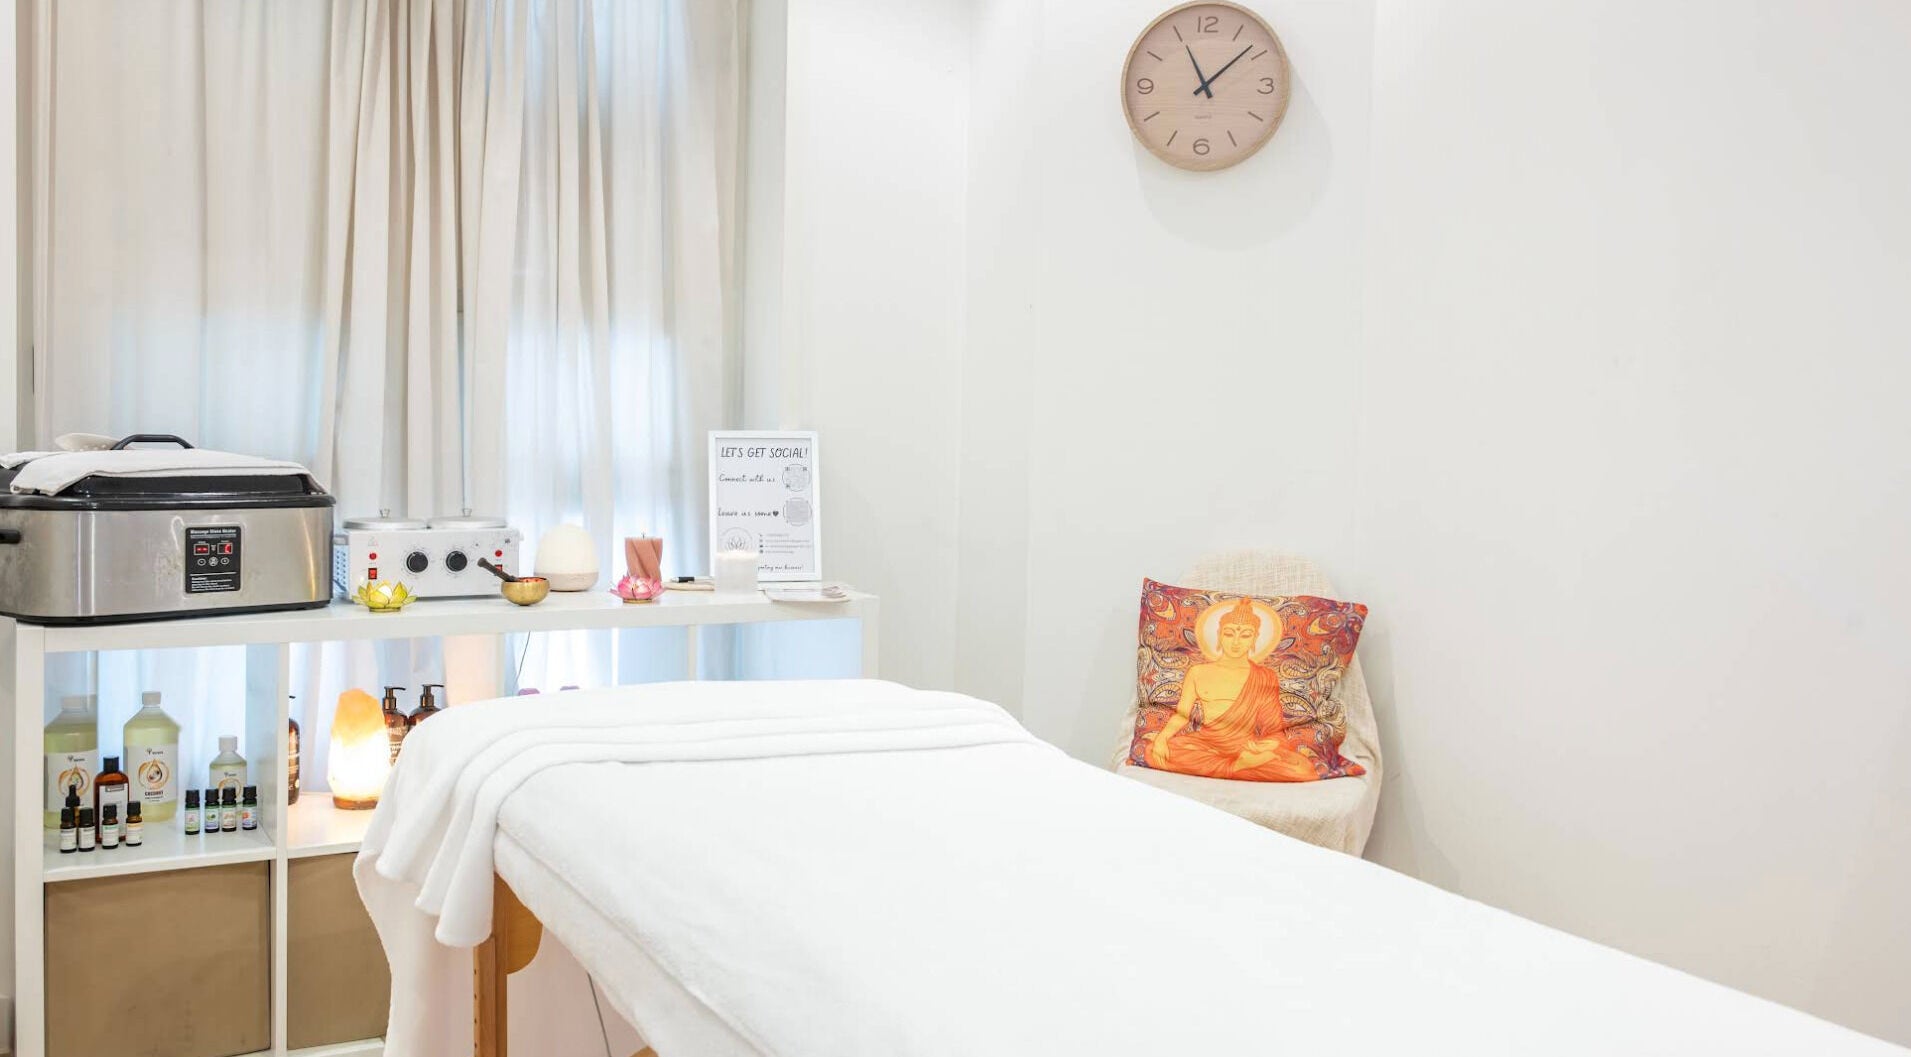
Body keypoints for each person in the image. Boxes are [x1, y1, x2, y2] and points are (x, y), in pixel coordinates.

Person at [1145, 597, 1320, 781]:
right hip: (1207, 744)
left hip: (1246, 747)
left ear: (1254, 639)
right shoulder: (1198, 672)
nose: (1236, 642)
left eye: (1245, 635)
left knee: (1303, 769)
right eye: (1229, 634)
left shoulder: (1264, 676)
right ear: (1219, 635)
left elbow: (1273, 728)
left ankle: (1237, 763)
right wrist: (1162, 738)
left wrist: (1267, 745)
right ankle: (1239, 766)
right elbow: (1182, 715)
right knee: (1152, 750)